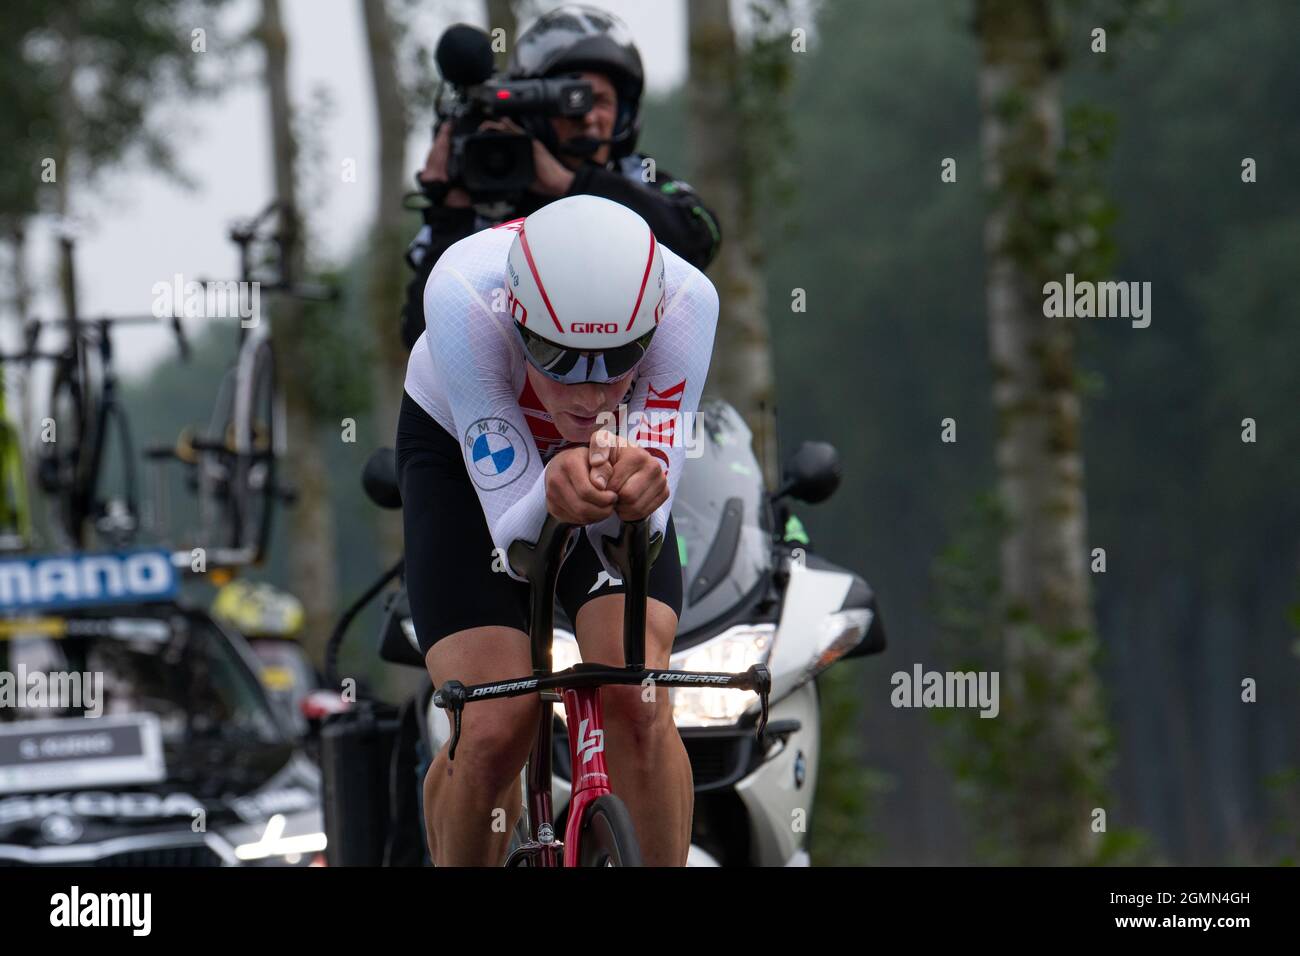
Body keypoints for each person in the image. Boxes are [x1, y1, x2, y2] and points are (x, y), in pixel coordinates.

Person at [397, 193, 718, 866]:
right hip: (461, 460)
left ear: (652, 327)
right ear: (516, 318)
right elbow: (516, 544)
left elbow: (644, 529)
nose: (590, 393)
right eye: (558, 356)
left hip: (597, 465)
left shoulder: (689, 305)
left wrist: (643, 494)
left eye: (619, 358)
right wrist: (551, 492)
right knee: (493, 722)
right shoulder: (461, 294)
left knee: (637, 695)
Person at [400, 4, 721, 350]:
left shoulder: (634, 177)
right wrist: (451, 211)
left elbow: (700, 238)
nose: (587, 117)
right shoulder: (487, 200)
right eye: (569, 100)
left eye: (599, 100)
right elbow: (424, 336)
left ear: (625, 112)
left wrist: (569, 185)